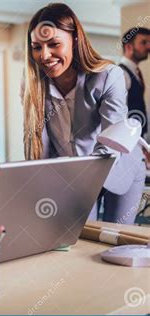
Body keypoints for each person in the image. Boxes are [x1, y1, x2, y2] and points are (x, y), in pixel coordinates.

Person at [22, 3, 145, 224]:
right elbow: (37, 146)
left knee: (111, 237)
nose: (45, 55)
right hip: (71, 175)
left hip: (119, 167)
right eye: (37, 47)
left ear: (75, 41)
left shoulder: (108, 75)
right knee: (79, 239)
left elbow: (112, 142)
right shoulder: (33, 85)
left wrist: (79, 181)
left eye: (54, 44)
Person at [120, 27, 149, 138]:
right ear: (128, 47)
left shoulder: (135, 71)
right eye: (144, 42)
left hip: (138, 136)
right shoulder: (121, 73)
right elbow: (119, 111)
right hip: (128, 138)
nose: (148, 47)